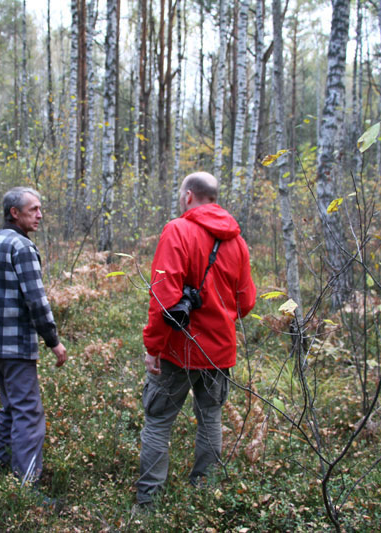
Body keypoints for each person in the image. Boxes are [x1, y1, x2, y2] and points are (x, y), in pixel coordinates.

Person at [136, 171, 256, 507]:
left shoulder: (177, 231)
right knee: (210, 420)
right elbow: (246, 304)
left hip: (177, 350)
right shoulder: (238, 242)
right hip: (219, 352)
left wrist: (153, 348)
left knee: (159, 421)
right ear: (214, 197)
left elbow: (162, 299)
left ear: (189, 196)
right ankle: (205, 497)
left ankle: (148, 503)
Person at [0, 186, 67, 485]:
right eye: (33, 210)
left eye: (40, 209)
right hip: (14, 345)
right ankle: (26, 484)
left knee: (10, 406)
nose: (40, 215)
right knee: (28, 413)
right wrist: (54, 341)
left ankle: (1, 468)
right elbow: (36, 301)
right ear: (15, 213)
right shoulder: (22, 247)